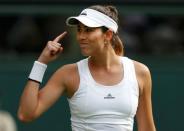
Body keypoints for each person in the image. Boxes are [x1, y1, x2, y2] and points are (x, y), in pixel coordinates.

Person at [17, 5, 156, 131]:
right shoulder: (68, 74)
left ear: (107, 34)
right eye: (79, 30)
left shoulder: (140, 72)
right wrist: (41, 62)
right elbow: (26, 114)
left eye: (88, 30)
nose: (81, 37)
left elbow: (147, 128)